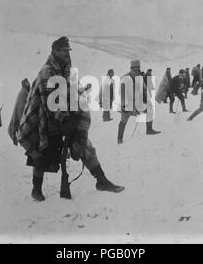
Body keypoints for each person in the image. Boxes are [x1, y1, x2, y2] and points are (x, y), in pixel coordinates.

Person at [17, 37, 124, 201]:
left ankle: (101, 181)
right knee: (40, 152)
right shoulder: (46, 71)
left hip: (65, 116)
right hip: (44, 118)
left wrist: (77, 123)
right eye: (64, 51)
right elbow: (49, 102)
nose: (67, 54)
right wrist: (64, 120)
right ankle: (36, 189)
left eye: (68, 51)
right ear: (55, 52)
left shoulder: (68, 71)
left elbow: (77, 94)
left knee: (83, 145)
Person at [117, 60, 160, 144]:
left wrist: (146, 100)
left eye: (138, 69)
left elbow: (144, 89)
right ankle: (119, 138)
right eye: (136, 69)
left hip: (138, 104)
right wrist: (124, 105)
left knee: (150, 109)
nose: (138, 71)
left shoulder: (139, 78)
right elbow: (122, 93)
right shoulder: (125, 78)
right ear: (131, 69)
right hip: (127, 105)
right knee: (123, 120)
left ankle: (149, 130)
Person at [8, 78, 30, 145]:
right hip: (21, 117)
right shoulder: (22, 94)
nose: (29, 85)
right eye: (28, 84)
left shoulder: (25, 93)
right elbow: (20, 109)